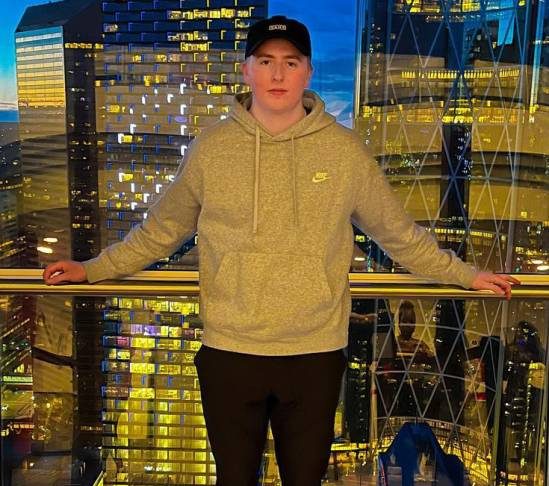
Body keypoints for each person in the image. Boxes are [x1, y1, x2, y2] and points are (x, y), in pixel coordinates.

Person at [43, 15, 519, 485]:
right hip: (230, 349)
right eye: (266, 61)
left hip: (314, 352)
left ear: (307, 72)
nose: (277, 74)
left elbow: (398, 234)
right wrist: (92, 268)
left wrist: (467, 275)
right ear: (246, 70)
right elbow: (160, 231)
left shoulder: (343, 152)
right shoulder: (212, 148)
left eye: (290, 62)